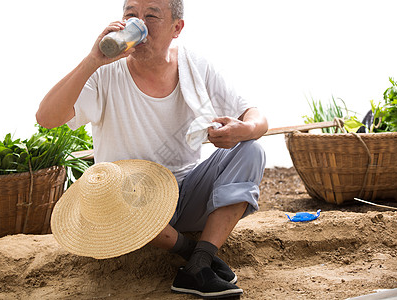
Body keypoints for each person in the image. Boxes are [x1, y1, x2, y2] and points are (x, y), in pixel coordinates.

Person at [36, 0, 268, 298]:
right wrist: (93, 60)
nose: (139, 24)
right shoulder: (106, 73)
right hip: (129, 204)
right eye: (131, 15)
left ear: (177, 28)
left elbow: (256, 117)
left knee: (252, 150)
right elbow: (46, 118)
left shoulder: (193, 65)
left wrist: (242, 130)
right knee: (107, 195)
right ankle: (191, 254)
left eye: (151, 16)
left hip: (186, 196)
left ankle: (199, 264)